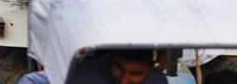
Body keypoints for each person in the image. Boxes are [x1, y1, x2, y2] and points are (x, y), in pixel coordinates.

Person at [19, 50, 169, 84]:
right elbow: (31, 82)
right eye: (119, 68)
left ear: (150, 69)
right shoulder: (86, 73)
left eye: (135, 73)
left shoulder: (156, 81)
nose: (124, 80)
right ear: (112, 60)